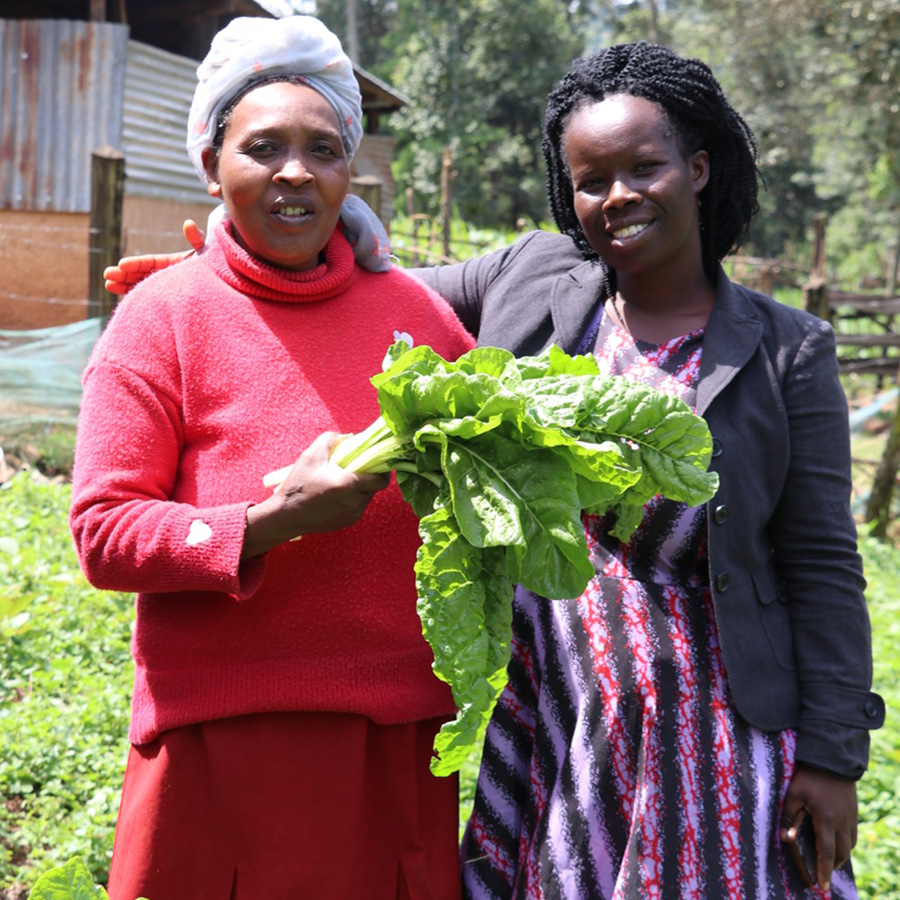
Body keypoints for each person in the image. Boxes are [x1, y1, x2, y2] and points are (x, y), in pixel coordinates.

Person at [103, 41, 884, 900]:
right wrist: (207, 268)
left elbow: (821, 564)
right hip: (556, 721)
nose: (617, 196)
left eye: (645, 167)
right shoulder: (536, 279)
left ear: (697, 169)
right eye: (590, 180)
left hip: (715, 730)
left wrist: (833, 755)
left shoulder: (786, 350)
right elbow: (331, 274)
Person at [69, 15, 474, 900]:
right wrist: (269, 523)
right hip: (220, 747)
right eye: (264, 147)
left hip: (391, 747)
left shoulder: (418, 319)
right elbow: (103, 532)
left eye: (322, 148)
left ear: (349, 171)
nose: (296, 171)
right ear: (213, 166)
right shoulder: (162, 318)